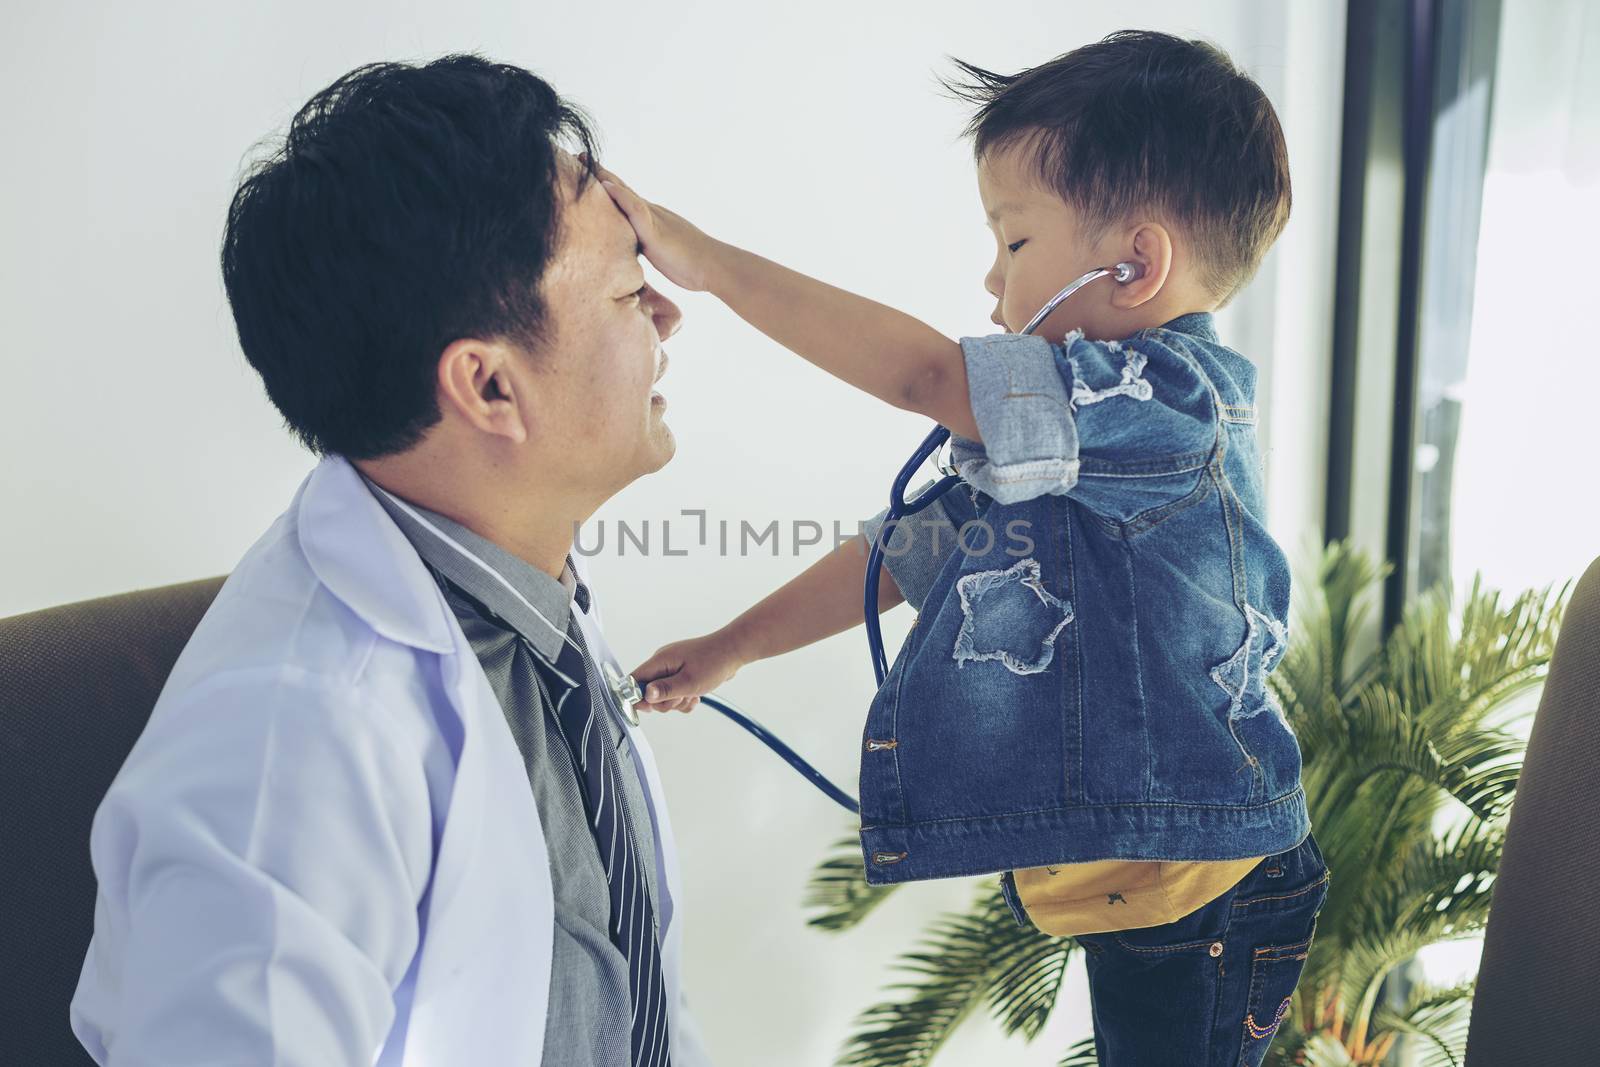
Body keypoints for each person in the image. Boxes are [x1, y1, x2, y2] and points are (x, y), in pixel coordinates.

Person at [599, 30, 1328, 1066]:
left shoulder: (1170, 401)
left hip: (1207, 889)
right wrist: (732, 646)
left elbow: (929, 378)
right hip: (1154, 887)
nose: (992, 285)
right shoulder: (1065, 441)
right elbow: (909, 549)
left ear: (1135, 262)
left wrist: (711, 263)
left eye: (1015, 243)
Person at [70, 54, 711, 1067]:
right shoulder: (291, 741)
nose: (671, 316)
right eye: (633, 292)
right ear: (489, 389)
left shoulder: (514, 596)